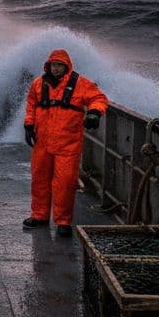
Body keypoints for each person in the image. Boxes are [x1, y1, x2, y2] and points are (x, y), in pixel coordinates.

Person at [23, 49, 108, 237]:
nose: (56, 68)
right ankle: (39, 216)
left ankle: (63, 222)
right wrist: (29, 125)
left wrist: (94, 112)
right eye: (53, 65)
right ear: (48, 66)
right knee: (39, 180)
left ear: (66, 66)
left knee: (65, 184)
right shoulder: (38, 83)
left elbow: (99, 98)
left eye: (59, 65)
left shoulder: (80, 83)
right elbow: (31, 105)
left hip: (68, 145)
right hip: (42, 143)